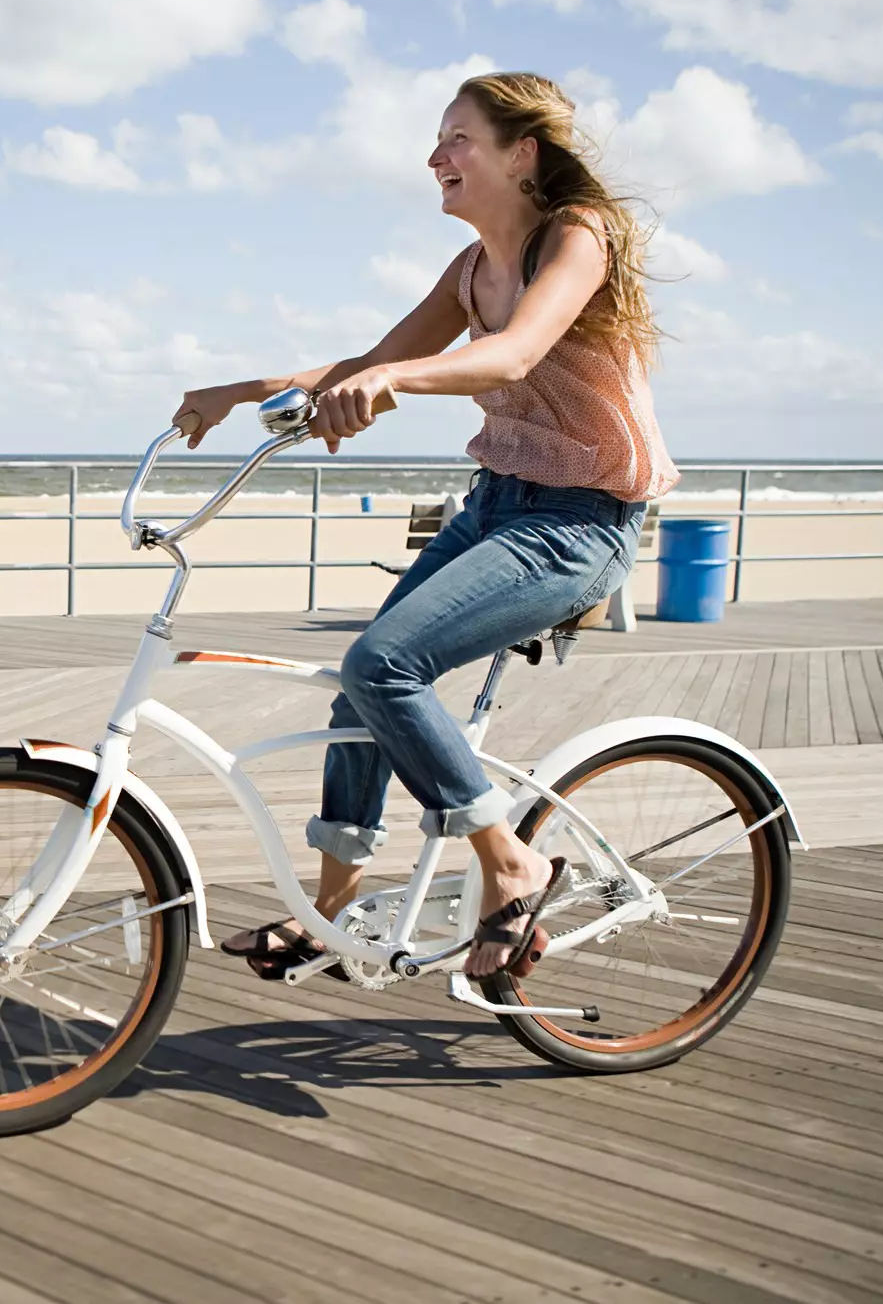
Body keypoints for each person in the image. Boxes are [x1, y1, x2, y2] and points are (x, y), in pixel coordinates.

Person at [172, 72, 679, 981]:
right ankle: (329, 910)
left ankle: (512, 865)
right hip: (498, 505)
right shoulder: (470, 268)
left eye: (458, 140)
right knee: (358, 688)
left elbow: (516, 349)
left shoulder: (575, 238)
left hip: (579, 523)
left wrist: (396, 384)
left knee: (383, 665)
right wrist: (243, 389)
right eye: (437, 140)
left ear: (521, 154)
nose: (435, 156)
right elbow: (373, 361)